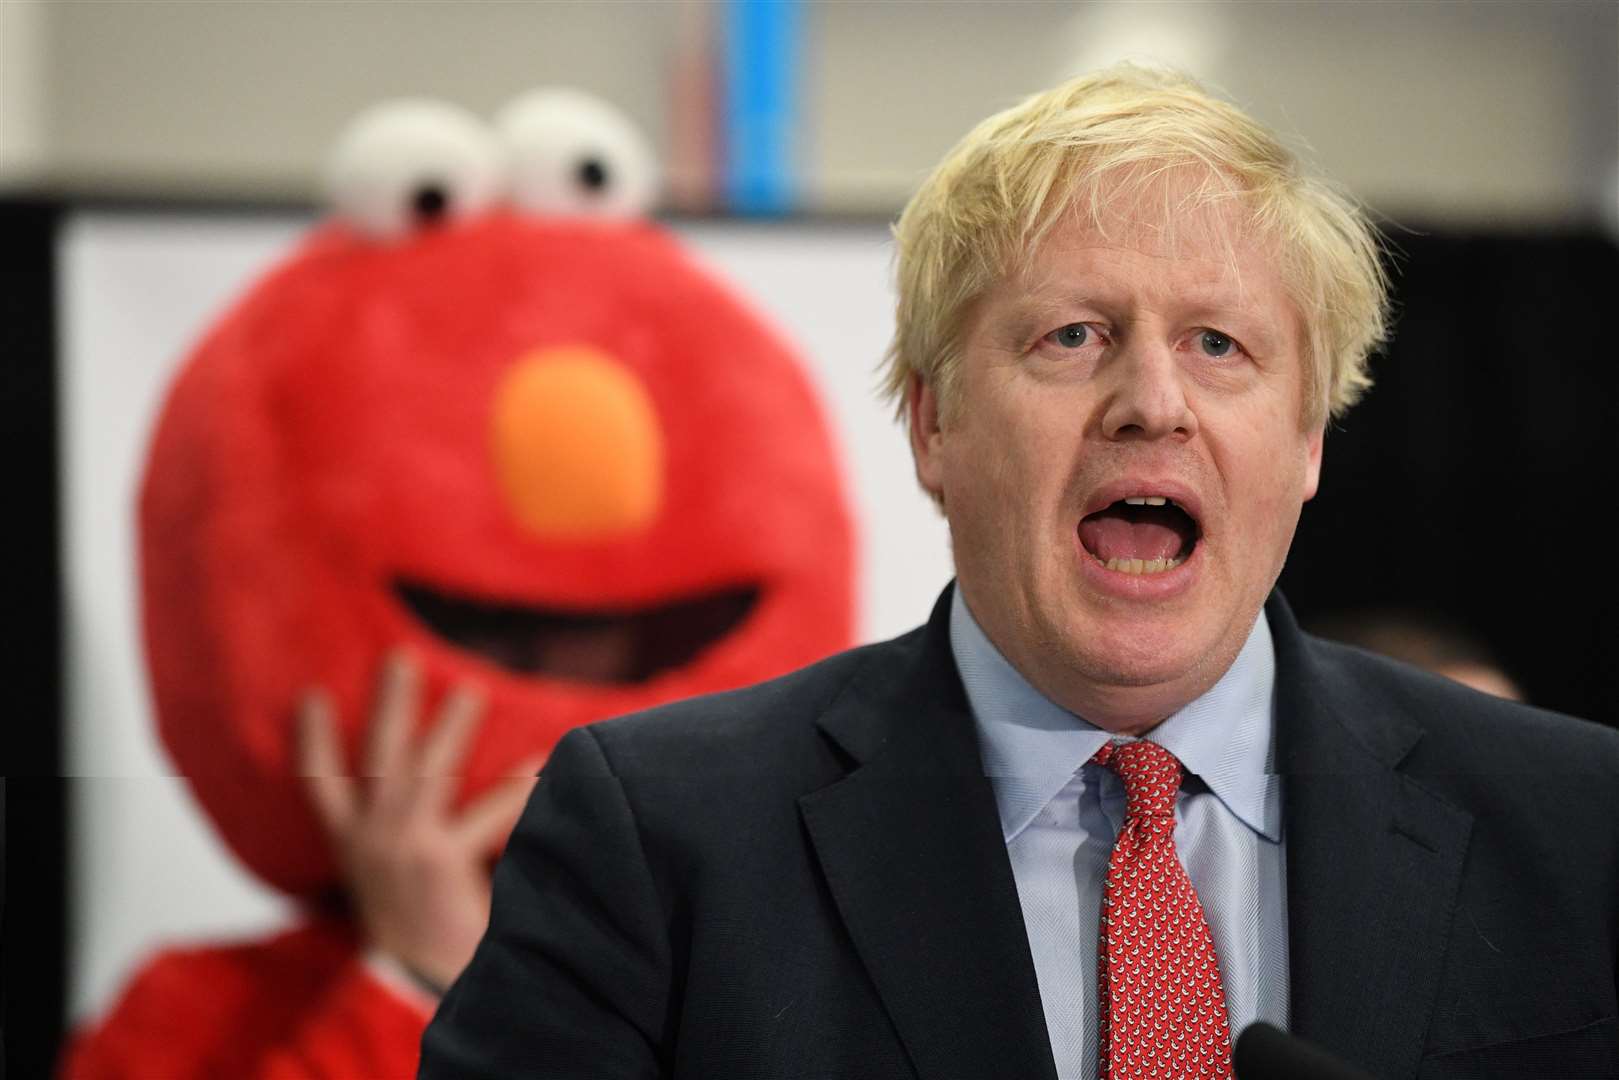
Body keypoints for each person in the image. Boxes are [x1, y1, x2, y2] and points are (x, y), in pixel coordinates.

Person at [420, 65, 1619, 1080]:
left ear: (1306, 440)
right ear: (934, 426)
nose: (1152, 404)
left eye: (1217, 344)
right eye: (1071, 337)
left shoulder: (1576, 821)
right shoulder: (660, 836)